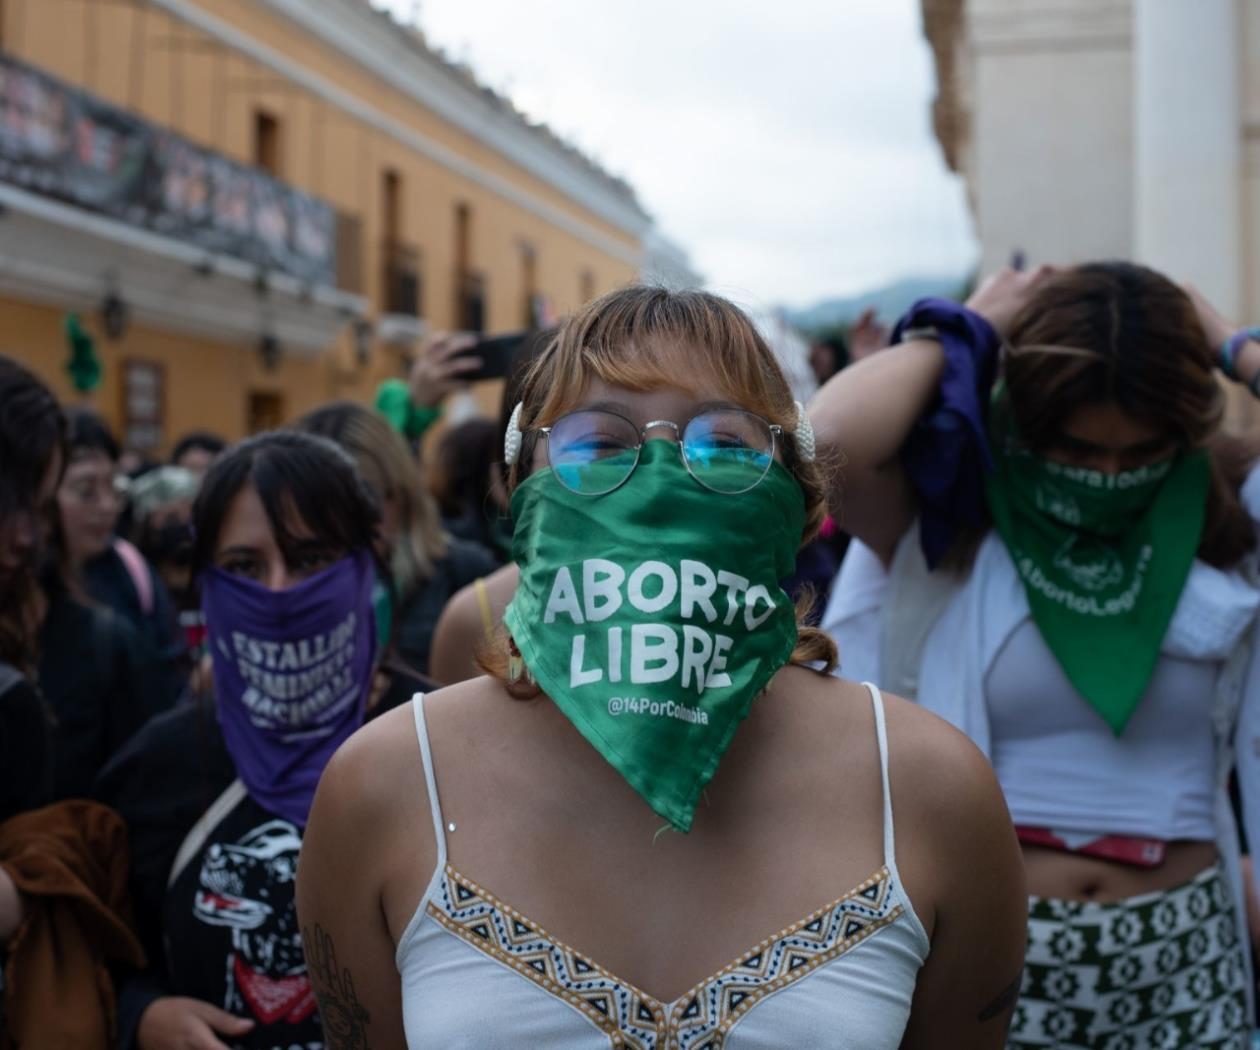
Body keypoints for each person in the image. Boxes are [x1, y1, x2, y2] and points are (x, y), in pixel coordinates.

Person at [297, 286, 1027, 1048]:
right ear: (517, 489)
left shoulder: (932, 791)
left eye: (723, 443)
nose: (660, 480)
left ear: (799, 497)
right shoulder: (381, 786)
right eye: (598, 444)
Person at [814, 262, 1260, 1048]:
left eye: (1142, 452)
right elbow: (828, 443)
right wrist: (966, 329)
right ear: (1027, 424)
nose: (1109, 476)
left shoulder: (1221, 516)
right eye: (1079, 451)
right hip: (994, 958)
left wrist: (1229, 343)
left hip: (1190, 946)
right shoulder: (955, 519)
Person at [94, 431, 384, 1050]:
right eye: (244, 567)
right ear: (207, 581)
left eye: (309, 559)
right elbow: (97, 954)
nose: (278, 593)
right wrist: (141, 1016)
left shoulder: (438, 744)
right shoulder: (159, 763)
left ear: (365, 565)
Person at [296, 402, 497, 691]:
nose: (343, 525)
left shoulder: (465, 573)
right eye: (318, 508)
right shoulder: (278, 589)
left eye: (363, 499)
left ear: (401, 494)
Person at [57, 411, 184, 702]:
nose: (107, 506)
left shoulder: (131, 567)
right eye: (87, 491)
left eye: (113, 488)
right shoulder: (20, 587)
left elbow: (167, 675)